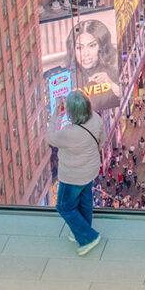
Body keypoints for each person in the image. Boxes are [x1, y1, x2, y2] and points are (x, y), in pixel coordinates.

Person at [47, 90, 106, 256]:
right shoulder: (95, 118)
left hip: (72, 175)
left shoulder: (68, 133)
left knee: (64, 207)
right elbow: (102, 140)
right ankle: (78, 231)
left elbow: (50, 137)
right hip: (91, 169)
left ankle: (88, 237)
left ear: (71, 112)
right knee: (85, 202)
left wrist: (56, 115)